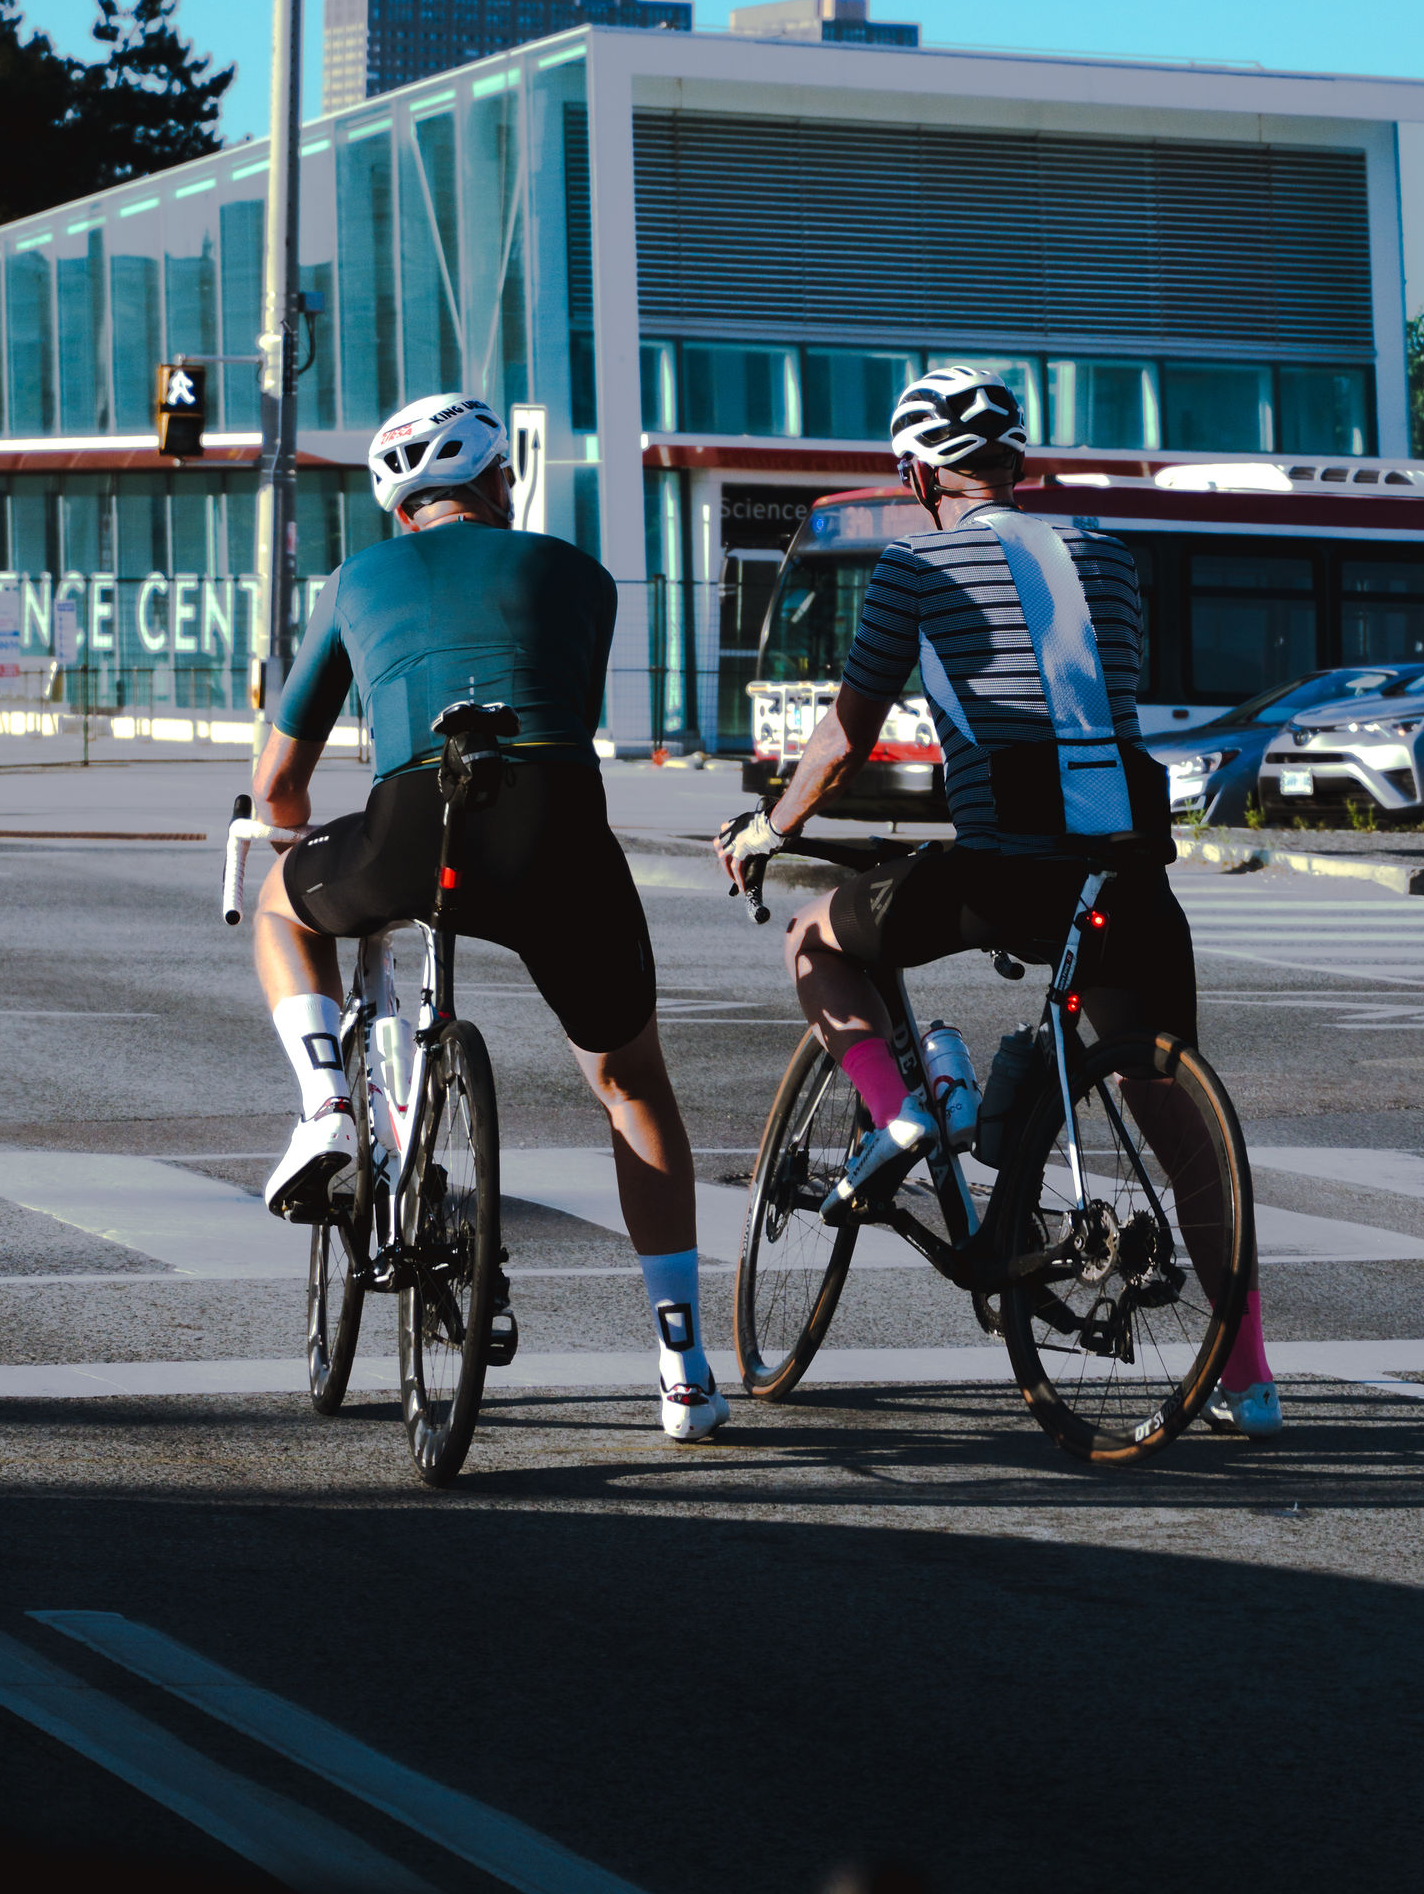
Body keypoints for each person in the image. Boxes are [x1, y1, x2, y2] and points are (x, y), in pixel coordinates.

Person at [715, 363, 1282, 1435]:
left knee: (814, 941)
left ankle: (902, 1114)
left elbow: (845, 736)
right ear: (1018, 465)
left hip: (1006, 874)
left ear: (918, 473)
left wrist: (768, 829)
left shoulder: (910, 569)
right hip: (1127, 874)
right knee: (1176, 1119)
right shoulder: (1112, 562)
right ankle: (1249, 1377)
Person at [251, 389, 729, 1443]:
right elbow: (559, 694)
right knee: (628, 1082)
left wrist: (285, 836)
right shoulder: (577, 572)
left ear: (398, 504)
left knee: (281, 909)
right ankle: (684, 1363)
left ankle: (330, 1102)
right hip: (555, 824)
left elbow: (280, 778)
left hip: (412, 823)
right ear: (497, 482)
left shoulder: (359, 579)